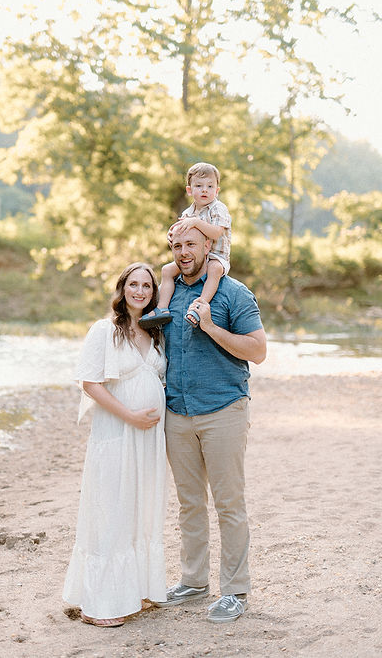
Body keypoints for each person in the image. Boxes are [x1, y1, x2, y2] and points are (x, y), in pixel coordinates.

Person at [154, 225, 267, 624]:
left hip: (223, 411)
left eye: (191, 244)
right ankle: (194, 582)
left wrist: (211, 327)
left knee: (229, 503)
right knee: (189, 504)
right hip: (177, 413)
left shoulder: (233, 292)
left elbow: (258, 350)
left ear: (208, 246)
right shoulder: (165, 294)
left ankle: (235, 591)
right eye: (177, 245)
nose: (184, 252)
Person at [62, 262, 168, 627]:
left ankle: (134, 589)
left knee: (139, 508)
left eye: (147, 286)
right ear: (122, 289)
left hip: (147, 439)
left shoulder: (155, 331)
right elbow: (89, 383)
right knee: (111, 508)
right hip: (116, 433)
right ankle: (97, 605)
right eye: (134, 284)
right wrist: (130, 416)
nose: (140, 291)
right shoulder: (104, 330)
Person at [140, 162, 232, 329]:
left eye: (210, 186)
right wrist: (172, 234)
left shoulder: (218, 208)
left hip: (216, 256)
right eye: (199, 185)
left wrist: (196, 223)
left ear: (217, 190)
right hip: (195, 257)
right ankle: (162, 308)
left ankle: (199, 305)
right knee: (167, 270)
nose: (205, 190)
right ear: (189, 190)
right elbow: (180, 232)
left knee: (214, 270)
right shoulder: (188, 213)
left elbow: (217, 232)